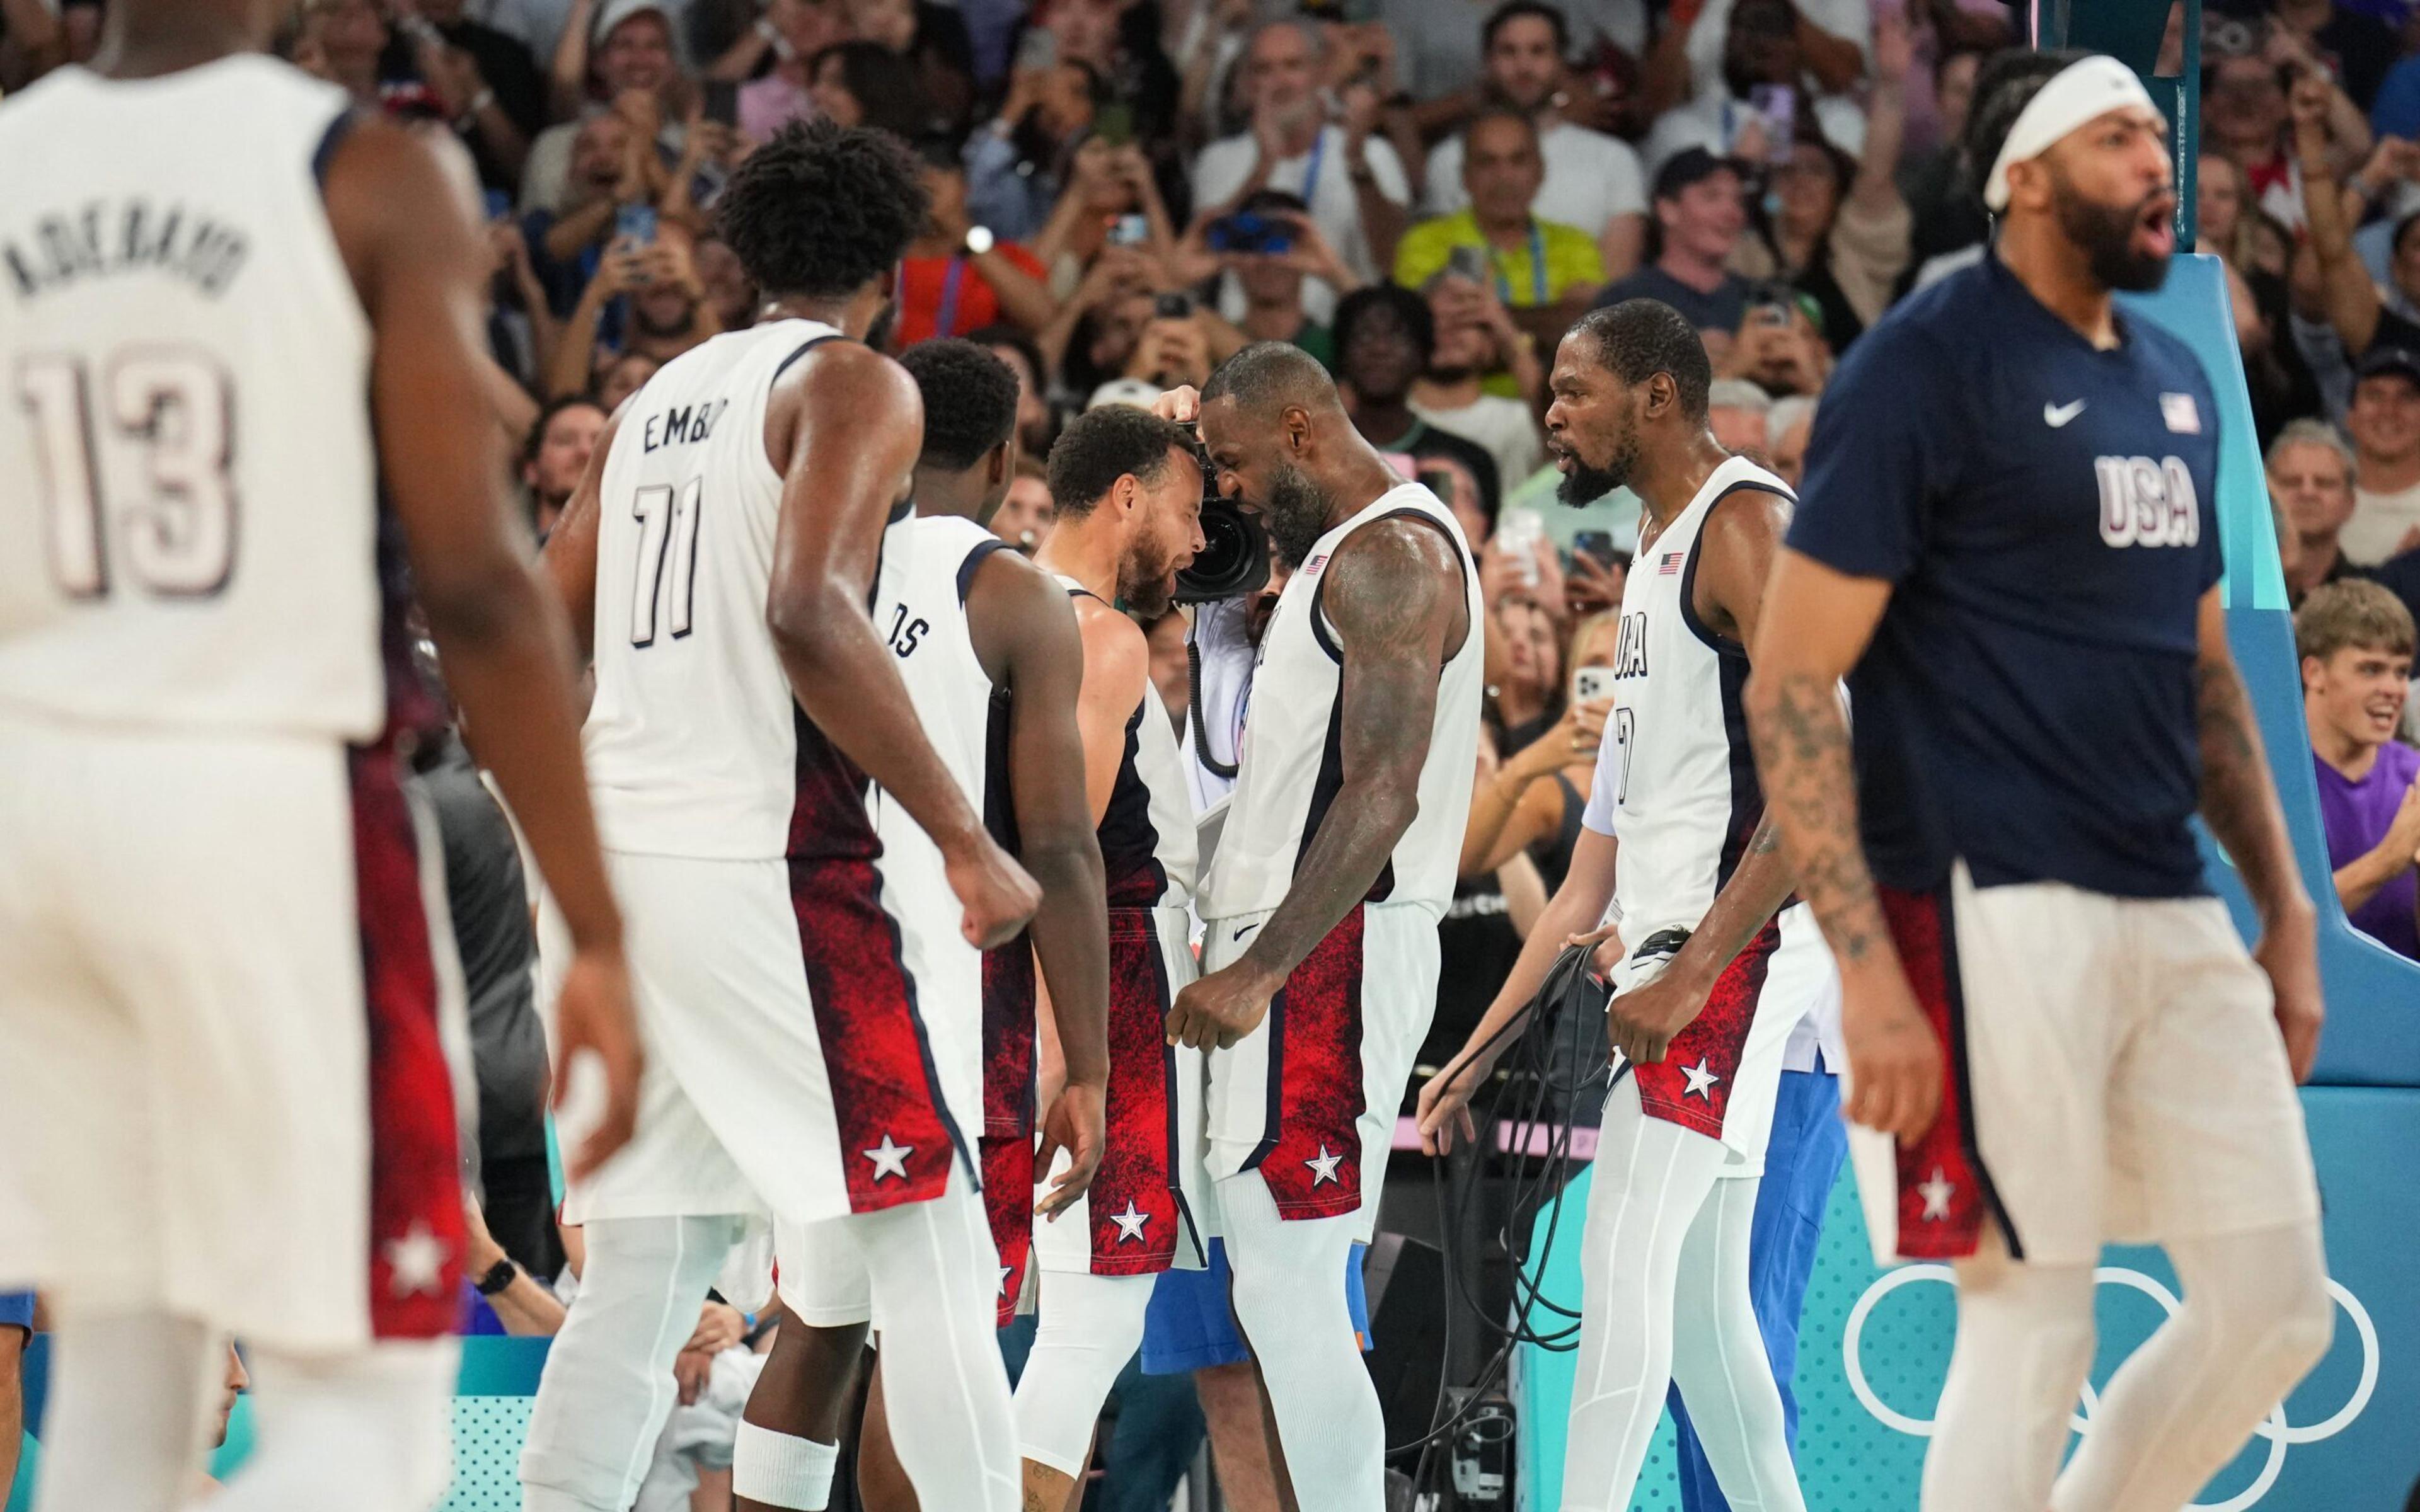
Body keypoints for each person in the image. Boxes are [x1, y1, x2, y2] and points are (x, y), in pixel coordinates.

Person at [0, 3, 645, 1510]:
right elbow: (480, 583)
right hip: (256, 786)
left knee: (120, 1372)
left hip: (34, 799)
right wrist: (598, 927)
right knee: (370, 1390)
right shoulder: (364, 168)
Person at [1743, 52, 2334, 1512]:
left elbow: (2205, 684)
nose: (2159, 164)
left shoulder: (2178, 382)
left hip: (2165, 898)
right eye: (2121, 136)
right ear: (2025, 173)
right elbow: (1787, 681)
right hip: (1973, 904)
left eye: (2158, 136)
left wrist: (2285, 909)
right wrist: (1867, 971)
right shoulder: (1924, 362)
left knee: (2275, 1307)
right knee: (2029, 1322)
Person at [522, 119, 1040, 1512]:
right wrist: (962, 834)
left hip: (620, 868)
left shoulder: (650, 403)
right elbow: (808, 608)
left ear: (740, 254)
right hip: (766, 860)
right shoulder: (858, 384)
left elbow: (531, 640)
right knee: (930, 1232)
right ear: (895, 255)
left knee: (637, 1274)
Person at [1420, 299, 1828, 1512]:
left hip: (1732, 960)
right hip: (1673, 962)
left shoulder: (1747, 524)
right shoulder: (1654, 557)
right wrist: (1476, 1054)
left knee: (1619, 1272)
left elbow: (1818, 788)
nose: (1551, 413)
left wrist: (1696, 969)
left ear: (1658, 397)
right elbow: (1588, 877)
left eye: (1573, 389)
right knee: (1703, 1319)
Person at [739, 339, 1111, 1512]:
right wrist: (1092, 1063)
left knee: (818, 1323)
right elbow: (1058, 845)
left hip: (805, 986)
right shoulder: (1013, 595)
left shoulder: (812, 567)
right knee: (936, 1326)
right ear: (1009, 455)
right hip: (939, 1006)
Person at [1161, 339, 1485, 1509]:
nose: (1230, 488)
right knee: (1277, 1282)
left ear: (1302, 432)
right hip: (1307, 945)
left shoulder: (1394, 553)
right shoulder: (1338, 558)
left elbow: (1384, 791)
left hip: (1326, 953)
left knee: (1293, 1280)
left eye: (1237, 462)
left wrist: (1259, 969)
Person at [1013, 403, 1211, 1512]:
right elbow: (1064, 857)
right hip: (1103, 982)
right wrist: (1066, 1050)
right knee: (1094, 1320)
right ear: (1127, 497)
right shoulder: (1102, 635)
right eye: (1187, 512)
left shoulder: (984, 603)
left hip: (980, 971)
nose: (1196, 543)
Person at [1192, 20, 1412, 325]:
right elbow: (1204, 255)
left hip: (1344, 334)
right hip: (1242, 339)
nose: (1280, 82)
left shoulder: (1371, 152)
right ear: (1246, 82)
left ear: (1320, 73)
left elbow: (1392, 260)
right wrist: (1264, 165)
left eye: (1293, 66)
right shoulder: (1218, 160)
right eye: (1263, 70)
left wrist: (1356, 161)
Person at [1420, 0, 1647, 279]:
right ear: (1487, 63)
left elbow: (1615, 292)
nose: (1524, 66)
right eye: (1508, 52)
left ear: (1561, 62)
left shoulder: (1614, 159)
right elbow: (1445, 277)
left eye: (1538, 51)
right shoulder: (1449, 158)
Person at [1395, 107, 1606, 330]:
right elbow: (1424, 329)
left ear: (1540, 171)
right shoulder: (1423, 242)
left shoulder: (1576, 244)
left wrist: (1483, 316)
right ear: (1465, 176)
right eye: (1487, 162)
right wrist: (1551, 319)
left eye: (1518, 161)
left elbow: (1589, 331)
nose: (1504, 178)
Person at [2298, 581, 2420, 961]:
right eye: (2371, 670)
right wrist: (2385, 862)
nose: (2393, 689)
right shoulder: (2273, 783)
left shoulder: (2414, 779)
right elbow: (2263, 928)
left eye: (2401, 673)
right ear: (2315, 672)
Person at [1331, 286, 1501, 518]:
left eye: (1397, 336)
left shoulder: (1468, 460)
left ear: (1424, 352)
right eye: (1365, 335)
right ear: (1342, 352)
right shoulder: (1313, 457)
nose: (1380, 349)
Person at [891, 138, 1057, 346]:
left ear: (966, 187)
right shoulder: (883, 261)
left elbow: (1044, 318)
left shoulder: (1004, 257)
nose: (930, 178)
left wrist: (965, 237)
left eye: (943, 169)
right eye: (917, 173)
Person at [1594, 148, 1754, 348]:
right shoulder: (1625, 303)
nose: (1732, 212)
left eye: (1738, 201)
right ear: (1668, 209)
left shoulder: (1757, 299)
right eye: (1711, 197)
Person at [2269, 418, 2366, 602]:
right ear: (2267, 497)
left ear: (2350, 503)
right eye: (2292, 482)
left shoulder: (2373, 598)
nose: (2307, 493)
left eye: (2324, 483)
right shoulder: (2235, 592)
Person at [2341, 348, 2420, 565]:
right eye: (2374, 396)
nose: (2389, 411)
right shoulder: (2322, 500)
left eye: (2407, 397)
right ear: (2350, 417)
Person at [526, 395, 611, 539]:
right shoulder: (498, 555)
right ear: (532, 470)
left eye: (600, 443)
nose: (585, 451)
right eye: (565, 441)